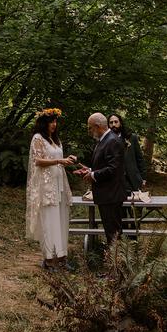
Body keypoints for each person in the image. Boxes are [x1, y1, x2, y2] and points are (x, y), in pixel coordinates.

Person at [25, 108, 76, 272]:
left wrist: (68, 160)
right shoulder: (38, 138)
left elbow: (58, 158)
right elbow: (37, 161)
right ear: (43, 123)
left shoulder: (55, 139)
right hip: (46, 186)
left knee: (61, 221)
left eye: (55, 121)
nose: (54, 124)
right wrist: (59, 161)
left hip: (59, 183)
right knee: (49, 222)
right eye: (50, 122)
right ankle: (48, 260)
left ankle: (61, 258)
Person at [74, 113, 126, 247]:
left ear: (97, 126)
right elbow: (104, 166)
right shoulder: (103, 140)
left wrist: (93, 175)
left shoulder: (112, 141)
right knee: (110, 231)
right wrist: (90, 170)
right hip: (106, 194)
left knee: (113, 233)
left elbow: (113, 169)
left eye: (90, 128)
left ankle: (116, 265)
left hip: (111, 195)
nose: (89, 131)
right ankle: (114, 263)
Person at [108, 113, 147, 195]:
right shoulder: (106, 140)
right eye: (111, 123)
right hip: (114, 181)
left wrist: (143, 178)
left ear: (120, 123)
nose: (113, 125)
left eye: (116, 122)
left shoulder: (131, 138)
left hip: (132, 179)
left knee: (134, 205)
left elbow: (139, 159)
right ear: (108, 125)